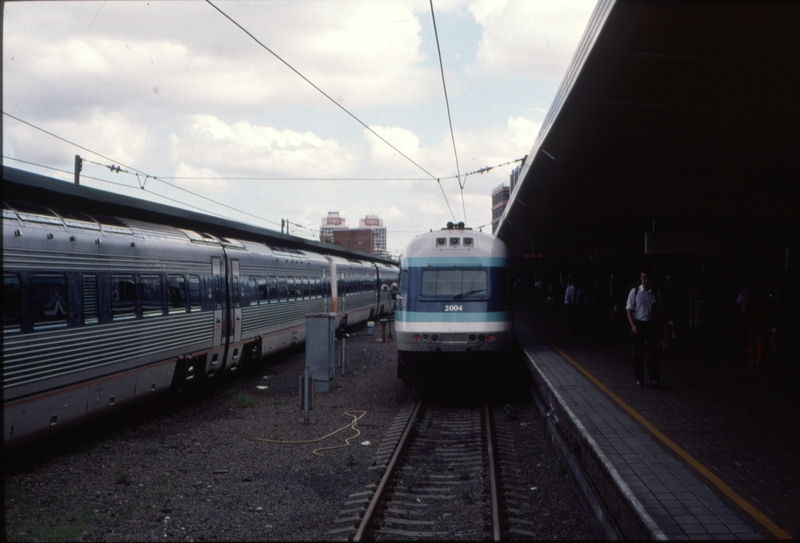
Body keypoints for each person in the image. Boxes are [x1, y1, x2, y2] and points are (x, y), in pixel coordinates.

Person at [626, 271, 667, 388]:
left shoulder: (655, 293)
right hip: (638, 324)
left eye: (649, 279)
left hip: (651, 325)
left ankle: (654, 379)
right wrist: (633, 325)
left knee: (652, 354)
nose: (647, 282)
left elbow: (660, 310)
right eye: (645, 279)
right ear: (641, 279)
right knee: (637, 355)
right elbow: (629, 310)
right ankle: (639, 378)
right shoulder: (635, 292)